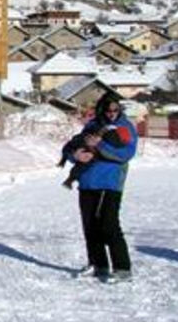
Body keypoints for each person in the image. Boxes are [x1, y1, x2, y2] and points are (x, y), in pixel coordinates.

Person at [61, 93, 137, 282]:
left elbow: (126, 154)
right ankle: (98, 264)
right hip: (87, 182)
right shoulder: (91, 125)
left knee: (109, 224)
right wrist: (75, 155)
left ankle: (122, 268)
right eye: (108, 110)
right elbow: (72, 146)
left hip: (110, 183)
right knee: (90, 225)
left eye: (115, 110)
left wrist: (100, 144)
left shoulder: (125, 127)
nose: (112, 114)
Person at [58, 123, 125, 189]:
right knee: (83, 164)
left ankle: (75, 180)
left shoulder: (105, 136)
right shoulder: (84, 137)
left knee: (87, 164)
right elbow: (69, 146)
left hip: (93, 154)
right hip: (82, 149)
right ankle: (71, 179)